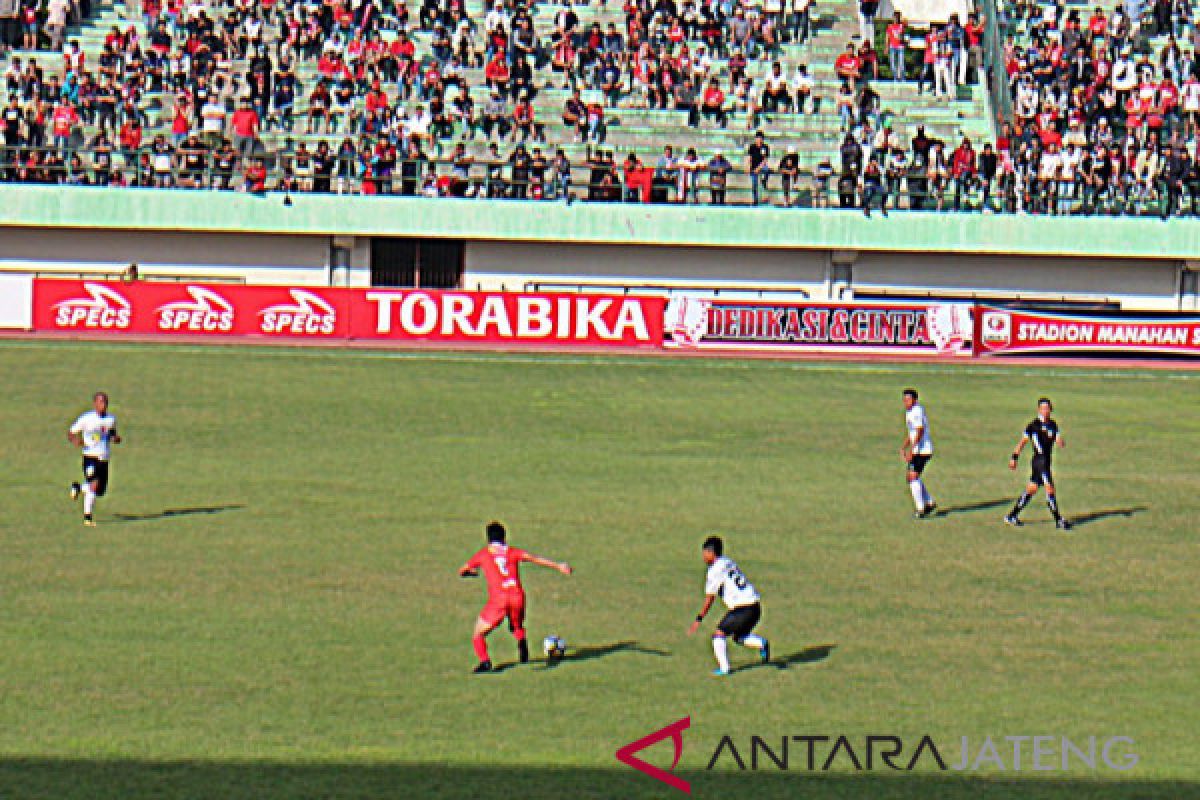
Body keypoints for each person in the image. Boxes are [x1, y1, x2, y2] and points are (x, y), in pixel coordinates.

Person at [458, 521, 573, 673]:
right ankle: (521, 641)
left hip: (498, 600)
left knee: (478, 633)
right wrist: (558, 566)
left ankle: (485, 662)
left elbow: (462, 570)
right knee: (516, 625)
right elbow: (533, 558)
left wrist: (469, 573)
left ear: (488, 539)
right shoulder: (513, 552)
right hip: (517, 596)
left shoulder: (483, 554)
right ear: (504, 537)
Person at [687, 536, 769, 676]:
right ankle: (761, 644)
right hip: (755, 607)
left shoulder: (714, 571)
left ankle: (725, 669)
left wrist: (699, 618)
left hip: (743, 608)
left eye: (705, 553)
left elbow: (709, 599)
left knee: (718, 635)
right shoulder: (727, 561)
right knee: (739, 637)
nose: (703, 556)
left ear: (711, 553)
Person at [1005, 398, 1072, 530]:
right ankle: (1059, 520)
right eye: (1043, 408)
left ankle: (1011, 516)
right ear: (1039, 410)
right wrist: (1014, 457)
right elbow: (1022, 443)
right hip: (1039, 462)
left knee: (1031, 489)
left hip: (1047, 461)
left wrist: (1060, 442)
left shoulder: (1053, 425)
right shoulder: (1033, 426)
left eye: (1047, 408)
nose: (1045, 410)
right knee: (1049, 488)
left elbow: (1058, 438)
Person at [67, 391, 121, 527]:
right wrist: (75, 441)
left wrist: (115, 438)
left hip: (104, 458)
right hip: (90, 457)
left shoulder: (110, 419)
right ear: (95, 403)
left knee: (100, 491)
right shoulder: (86, 419)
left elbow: (112, 433)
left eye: (105, 402)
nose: (103, 405)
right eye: (100, 402)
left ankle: (78, 487)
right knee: (94, 484)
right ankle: (88, 518)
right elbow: (71, 432)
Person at [900, 388, 936, 518]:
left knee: (912, 477)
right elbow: (912, 432)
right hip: (918, 449)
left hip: (923, 450)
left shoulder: (917, 411)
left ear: (915, 399)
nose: (905, 402)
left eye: (908, 399)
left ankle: (921, 508)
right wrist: (904, 446)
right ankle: (929, 503)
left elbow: (920, 431)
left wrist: (912, 449)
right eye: (904, 399)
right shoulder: (909, 412)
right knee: (912, 477)